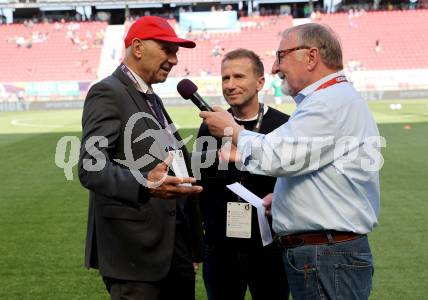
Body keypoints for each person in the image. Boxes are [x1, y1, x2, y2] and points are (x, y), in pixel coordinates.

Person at [199, 23, 381, 299]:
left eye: (280, 55)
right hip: (324, 253)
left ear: (311, 57)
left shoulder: (328, 102)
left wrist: (233, 131)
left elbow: (278, 156)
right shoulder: (329, 100)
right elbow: (307, 163)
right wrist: (283, 199)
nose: (275, 67)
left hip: (326, 254)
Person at [78, 16, 203, 300]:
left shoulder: (152, 98)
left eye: (176, 52)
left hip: (172, 249)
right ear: (137, 47)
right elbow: (90, 167)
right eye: (167, 49)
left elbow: (173, 161)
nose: (174, 59)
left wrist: (187, 244)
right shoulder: (107, 91)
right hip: (134, 254)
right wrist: (145, 184)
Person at [196, 49, 289, 300]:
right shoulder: (209, 127)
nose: (230, 84)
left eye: (238, 76)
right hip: (220, 248)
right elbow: (202, 185)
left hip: (269, 246)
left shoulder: (283, 125)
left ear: (260, 82)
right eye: (225, 78)